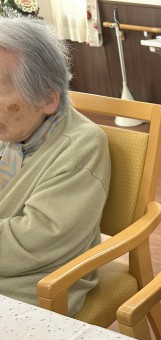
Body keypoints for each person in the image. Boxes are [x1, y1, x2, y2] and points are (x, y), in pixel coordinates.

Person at [0, 17, 111, 315]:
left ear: (47, 99)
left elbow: (35, 241)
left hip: (33, 286)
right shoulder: (11, 130)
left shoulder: (80, 147)